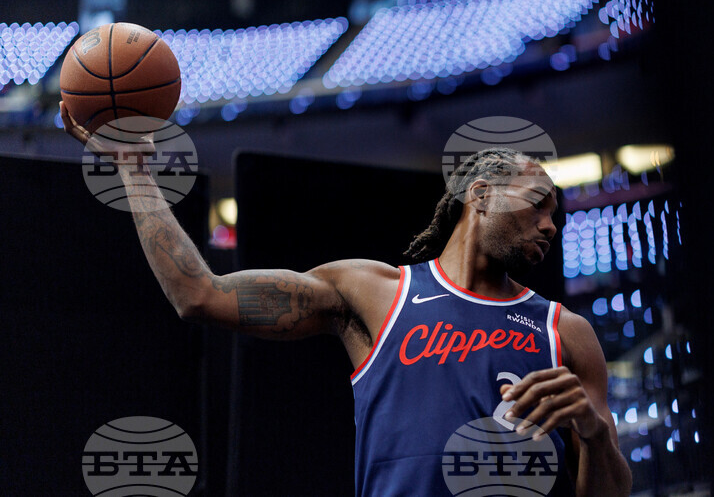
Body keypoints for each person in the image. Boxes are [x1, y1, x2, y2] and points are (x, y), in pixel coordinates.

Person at [61, 103, 633, 497]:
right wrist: (134, 170)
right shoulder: (374, 293)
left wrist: (594, 432)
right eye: (538, 203)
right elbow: (198, 295)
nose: (551, 223)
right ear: (479, 194)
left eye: (556, 214)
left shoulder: (565, 332)